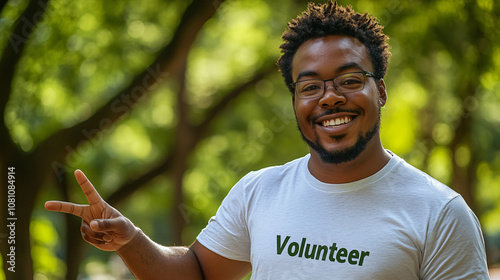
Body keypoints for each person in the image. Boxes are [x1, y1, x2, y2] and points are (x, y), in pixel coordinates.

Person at [45, 1, 489, 279]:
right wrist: (131, 241)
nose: (330, 98)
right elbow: (199, 273)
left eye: (349, 80)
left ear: (382, 91)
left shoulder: (439, 213)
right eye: (310, 86)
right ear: (296, 101)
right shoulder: (260, 191)